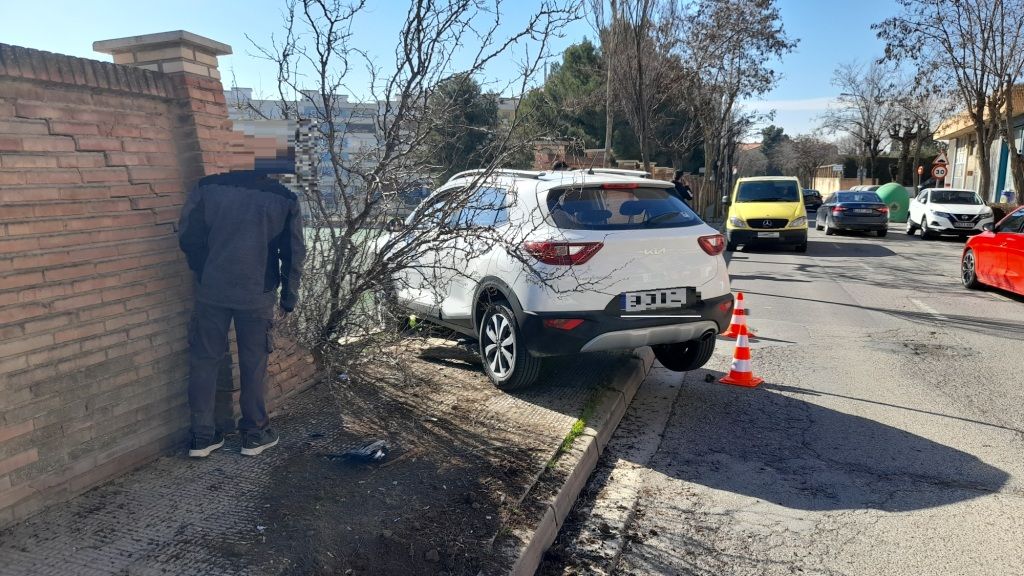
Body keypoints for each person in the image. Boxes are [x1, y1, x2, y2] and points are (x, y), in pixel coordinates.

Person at [178, 170, 305, 458]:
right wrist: (289, 297)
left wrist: (205, 271)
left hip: (212, 291)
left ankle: (201, 437)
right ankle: (254, 434)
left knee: (204, 361)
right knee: (254, 363)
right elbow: (294, 252)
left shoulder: (207, 186)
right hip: (256, 294)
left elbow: (188, 236)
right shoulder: (283, 198)